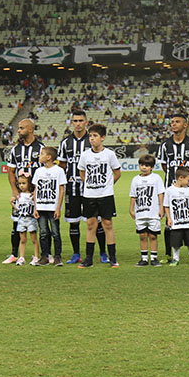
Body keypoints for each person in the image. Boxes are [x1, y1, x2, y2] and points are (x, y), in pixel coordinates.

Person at [57, 110, 107, 264]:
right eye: (75, 121)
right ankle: (76, 253)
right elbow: (63, 165)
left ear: (86, 122)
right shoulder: (65, 143)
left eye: (81, 120)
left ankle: (103, 253)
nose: (78, 123)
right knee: (73, 221)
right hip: (72, 188)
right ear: (72, 123)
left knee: (96, 221)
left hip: (90, 189)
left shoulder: (91, 140)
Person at [157, 113, 189, 263]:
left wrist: (187, 181)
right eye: (172, 122)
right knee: (169, 220)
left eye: (177, 122)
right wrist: (176, 180)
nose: (173, 124)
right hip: (170, 189)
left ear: (185, 125)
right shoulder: (165, 145)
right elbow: (164, 165)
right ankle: (168, 254)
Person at [77, 124, 121, 268]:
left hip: (106, 195)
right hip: (89, 195)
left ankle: (112, 258)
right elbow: (82, 172)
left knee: (107, 224)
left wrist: (107, 185)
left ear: (102, 138)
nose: (92, 139)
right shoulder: (85, 155)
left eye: (95, 136)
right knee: (90, 225)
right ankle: (88, 258)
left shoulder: (109, 154)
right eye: (90, 136)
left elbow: (117, 173)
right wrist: (90, 185)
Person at [3, 119, 44, 264]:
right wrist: (15, 190)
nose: (19, 131)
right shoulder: (16, 149)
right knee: (17, 224)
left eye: (21, 128)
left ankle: (43, 254)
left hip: (36, 195)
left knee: (41, 225)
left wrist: (38, 192)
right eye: (18, 128)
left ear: (31, 129)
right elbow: (11, 171)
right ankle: (15, 254)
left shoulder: (41, 149)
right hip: (21, 195)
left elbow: (45, 171)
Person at [32, 147, 66, 266]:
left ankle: (57, 256)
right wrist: (35, 207)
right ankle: (45, 256)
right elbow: (36, 190)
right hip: (41, 207)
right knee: (43, 233)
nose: (39, 156)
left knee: (55, 232)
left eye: (41, 154)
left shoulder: (59, 171)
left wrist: (58, 208)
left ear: (49, 157)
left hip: (52, 207)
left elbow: (62, 190)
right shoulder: (38, 171)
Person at [129, 154, 165, 267]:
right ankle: (144, 258)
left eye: (147, 165)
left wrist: (162, 208)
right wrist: (131, 209)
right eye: (142, 165)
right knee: (142, 236)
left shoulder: (156, 178)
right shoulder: (135, 179)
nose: (144, 167)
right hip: (140, 212)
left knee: (153, 235)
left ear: (152, 167)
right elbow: (133, 195)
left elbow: (160, 194)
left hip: (153, 212)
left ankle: (154, 258)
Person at [162, 166, 189, 266]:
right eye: (188, 180)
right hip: (176, 223)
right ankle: (175, 258)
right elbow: (166, 206)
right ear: (180, 178)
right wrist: (169, 219)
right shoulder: (170, 191)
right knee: (175, 242)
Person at [12, 176, 38, 266]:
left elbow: (35, 206)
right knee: (22, 239)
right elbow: (18, 209)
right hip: (21, 219)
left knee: (34, 239)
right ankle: (21, 257)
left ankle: (36, 256)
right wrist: (12, 203)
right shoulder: (19, 196)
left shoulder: (32, 195)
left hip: (30, 218)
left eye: (24, 183)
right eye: (19, 184)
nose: (21, 186)